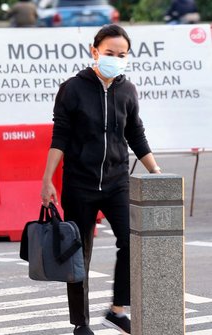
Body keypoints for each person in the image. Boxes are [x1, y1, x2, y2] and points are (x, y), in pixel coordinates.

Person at [40, 24, 161, 335]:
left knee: (132, 242)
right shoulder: (72, 88)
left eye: (122, 55)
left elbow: (136, 134)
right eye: (109, 53)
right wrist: (47, 180)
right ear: (94, 52)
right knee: (78, 255)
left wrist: (156, 172)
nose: (116, 59)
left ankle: (117, 311)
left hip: (117, 180)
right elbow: (60, 137)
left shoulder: (127, 90)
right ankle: (81, 323)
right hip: (79, 183)